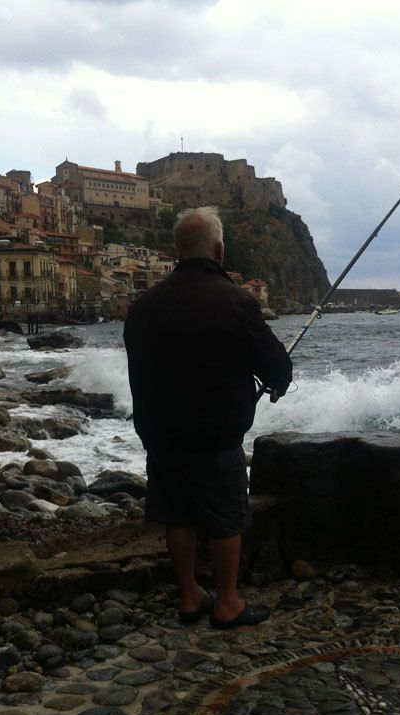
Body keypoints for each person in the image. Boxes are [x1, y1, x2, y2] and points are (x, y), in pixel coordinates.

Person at [124, 206, 292, 629]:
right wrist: (277, 379)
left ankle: (189, 597)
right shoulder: (236, 302)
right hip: (215, 436)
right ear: (218, 249)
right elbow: (275, 367)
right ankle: (228, 603)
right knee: (224, 517)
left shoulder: (144, 306)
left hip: (160, 434)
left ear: (176, 251)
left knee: (177, 515)